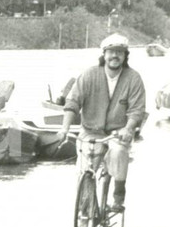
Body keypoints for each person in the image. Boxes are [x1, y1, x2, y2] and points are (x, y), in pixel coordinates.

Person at [56, 33, 146, 211]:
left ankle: (118, 196)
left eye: (120, 52)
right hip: (90, 131)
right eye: (111, 51)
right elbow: (72, 103)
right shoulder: (89, 75)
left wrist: (128, 128)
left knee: (119, 152)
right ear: (104, 54)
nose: (115, 56)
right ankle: (85, 210)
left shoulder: (133, 78)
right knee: (84, 169)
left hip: (117, 132)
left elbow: (137, 110)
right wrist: (64, 129)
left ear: (125, 55)